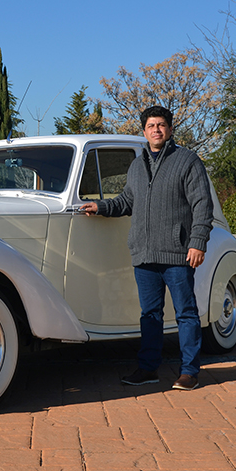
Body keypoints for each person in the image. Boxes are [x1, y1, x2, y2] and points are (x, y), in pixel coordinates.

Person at [79, 105, 213, 390]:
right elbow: (126, 202)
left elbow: (203, 205)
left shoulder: (187, 161)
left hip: (177, 254)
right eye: (151, 125)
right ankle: (148, 368)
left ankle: (189, 372)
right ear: (144, 131)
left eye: (161, 125)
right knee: (149, 315)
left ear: (170, 129)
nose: (156, 130)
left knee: (186, 313)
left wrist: (197, 243)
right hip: (144, 255)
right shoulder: (137, 166)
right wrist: (100, 206)